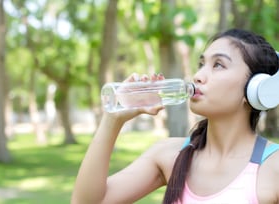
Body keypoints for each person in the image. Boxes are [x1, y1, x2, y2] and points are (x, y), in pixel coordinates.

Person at [71, 28, 279, 204]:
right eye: (201, 64)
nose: (198, 76)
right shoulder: (170, 156)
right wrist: (113, 118)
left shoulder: (273, 167)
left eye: (218, 65)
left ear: (257, 89)